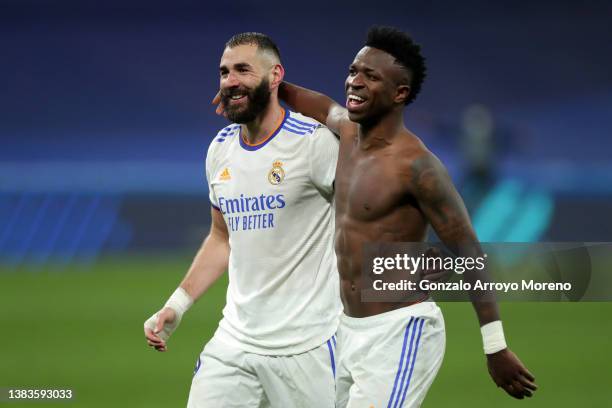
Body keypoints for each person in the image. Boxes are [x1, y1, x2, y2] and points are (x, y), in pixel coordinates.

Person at [275, 26, 538, 407]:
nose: (355, 82)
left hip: (399, 332)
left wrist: (495, 346)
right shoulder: (347, 133)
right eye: (353, 71)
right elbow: (317, 104)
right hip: (344, 328)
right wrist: (267, 83)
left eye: (371, 76)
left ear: (400, 93)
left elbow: (468, 250)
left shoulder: (418, 167)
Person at [143, 32, 342, 407]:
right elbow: (222, 237)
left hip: (307, 348)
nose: (229, 81)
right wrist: (177, 305)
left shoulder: (314, 143)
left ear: (275, 76)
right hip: (234, 344)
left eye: (242, 70)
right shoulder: (220, 150)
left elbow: (364, 217)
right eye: (224, 72)